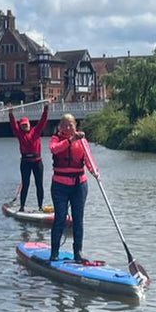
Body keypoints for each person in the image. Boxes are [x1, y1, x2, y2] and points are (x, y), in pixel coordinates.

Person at [49, 112, 92, 264]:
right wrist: (70, 140)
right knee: (60, 217)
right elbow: (54, 149)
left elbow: (88, 159)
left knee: (78, 219)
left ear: (75, 126)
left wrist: (95, 172)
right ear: (60, 127)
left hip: (79, 185)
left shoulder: (82, 141)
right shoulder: (55, 139)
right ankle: (54, 252)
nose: (68, 127)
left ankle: (78, 253)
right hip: (60, 186)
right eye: (65, 125)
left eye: (71, 125)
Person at [7, 103, 50, 210]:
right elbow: (13, 125)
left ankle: (40, 206)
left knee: (39, 184)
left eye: (26, 125)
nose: (24, 126)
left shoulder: (36, 131)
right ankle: (22, 207)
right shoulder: (19, 133)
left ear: (29, 125)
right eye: (22, 125)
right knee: (25, 184)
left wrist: (46, 109)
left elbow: (43, 121)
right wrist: (11, 114)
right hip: (25, 162)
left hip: (37, 162)